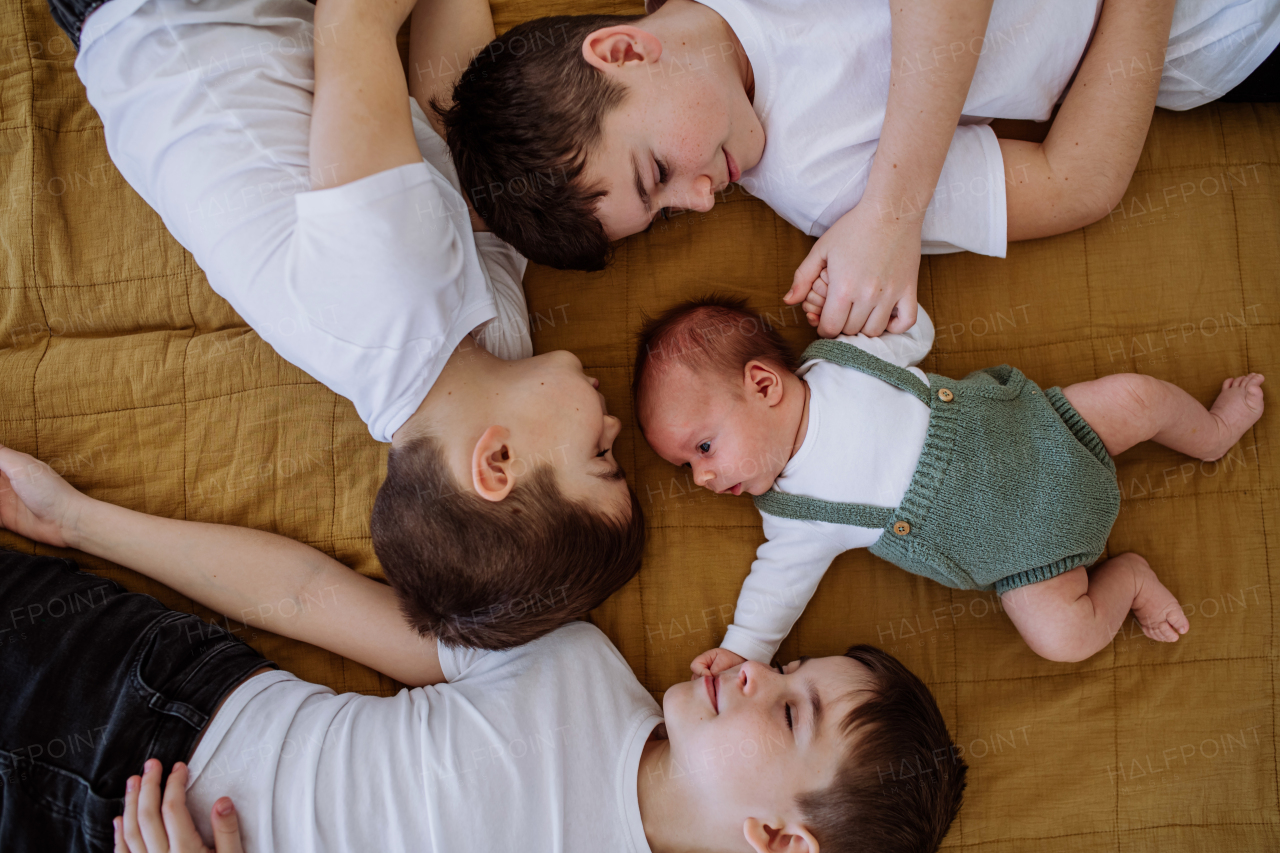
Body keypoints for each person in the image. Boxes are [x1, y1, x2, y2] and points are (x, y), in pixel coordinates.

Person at [0, 443, 967, 853]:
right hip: (151, 698)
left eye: (791, 708)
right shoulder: (572, 661)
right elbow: (305, 596)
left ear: (778, 840)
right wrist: (76, 518)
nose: (759, 669)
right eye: (791, 668)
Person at [53, 0, 646, 649]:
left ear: (497, 460)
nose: (615, 423)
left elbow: (354, 19)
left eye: (601, 454)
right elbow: (458, 120)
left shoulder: (390, 298)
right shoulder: (492, 356)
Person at [439, 0, 1280, 338]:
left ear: (624, 51)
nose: (700, 200)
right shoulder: (823, 191)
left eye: (656, 173)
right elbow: (1078, 182)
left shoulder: (878, 212)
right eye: (663, 214)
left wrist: (895, 205)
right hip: (1216, 27)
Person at [631, 295, 1266, 667]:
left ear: (763, 384)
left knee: (1135, 397)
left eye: (703, 447)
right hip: (1029, 559)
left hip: (1052, 431)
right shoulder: (794, 514)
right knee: (1062, 640)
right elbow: (775, 588)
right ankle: (1129, 579)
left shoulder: (844, 358)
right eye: (689, 468)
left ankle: (1211, 434)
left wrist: (858, 298)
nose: (704, 477)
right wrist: (744, 651)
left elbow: (915, 329)